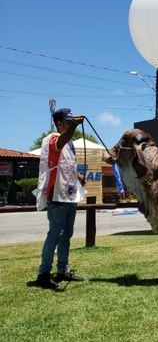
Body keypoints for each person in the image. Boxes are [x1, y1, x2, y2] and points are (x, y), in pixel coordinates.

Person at [34, 108, 86, 289]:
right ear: (60, 123)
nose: (70, 124)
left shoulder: (69, 143)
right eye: (67, 122)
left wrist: (78, 178)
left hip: (69, 195)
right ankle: (43, 273)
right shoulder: (55, 139)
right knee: (55, 235)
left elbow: (66, 165)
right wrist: (74, 126)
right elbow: (60, 144)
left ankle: (62, 270)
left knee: (66, 235)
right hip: (57, 196)